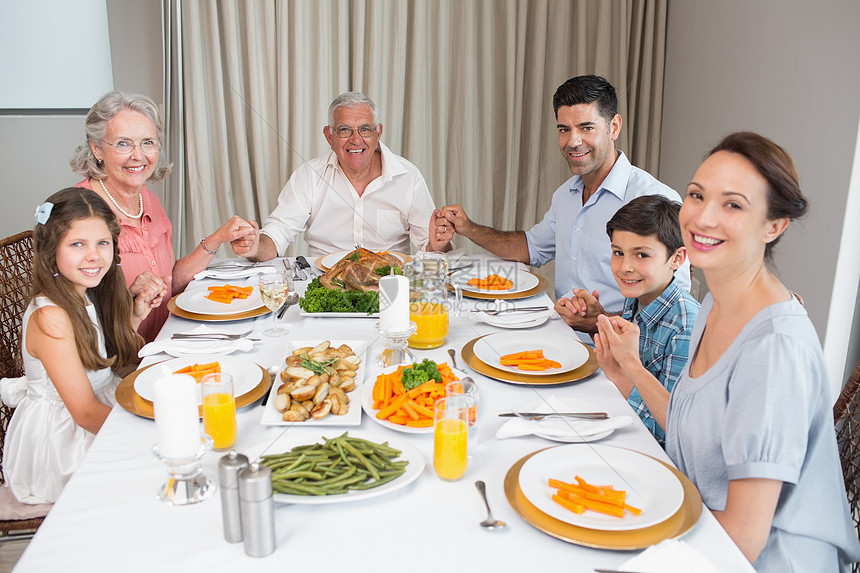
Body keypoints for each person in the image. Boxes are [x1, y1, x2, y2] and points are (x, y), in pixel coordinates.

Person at [662, 132, 860, 571]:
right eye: (696, 195)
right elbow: (693, 425)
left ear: (774, 226)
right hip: (704, 536)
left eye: (733, 204)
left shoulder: (774, 350)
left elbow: (743, 541)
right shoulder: (715, 300)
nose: (703, 217)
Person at [433, 75, 689, 340]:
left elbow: (673, 314)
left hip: (621, 359)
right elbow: (530, 248)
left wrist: (599, 322)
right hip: (562, 339)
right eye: (564, 129)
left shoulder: (656, 199)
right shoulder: (565, 195)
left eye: (586, 128)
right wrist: (469, 228)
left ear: (614, 127)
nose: (572, 141)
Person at [0, 188, 153, 504]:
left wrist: (134, 318)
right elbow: (84, 413)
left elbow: (101, 363)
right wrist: (148, 432)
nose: (94, 256)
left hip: (93, 406)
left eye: (102, 243)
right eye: (77, 244)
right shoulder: (50, 316)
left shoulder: (85, 291)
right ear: (51, 250)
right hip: (63, 438)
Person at [70, 91, 256, 342]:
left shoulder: (149, 200)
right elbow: (75, 318)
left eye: (148, 142)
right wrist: (129, 297)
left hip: (167, 339)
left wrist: (217, 238)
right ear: (97, 148)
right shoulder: (80, 211)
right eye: (123, 143)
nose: (138, 155)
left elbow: (171, 282)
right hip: (121, 361)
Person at [230, 91, 448, 261]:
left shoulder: (408, 176)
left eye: (365, 129)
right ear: (329, 136)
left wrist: (439, 244)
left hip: (388, 286)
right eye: (344, 130)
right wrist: (255, 246)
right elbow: (276, 235)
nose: (355, 139)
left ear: (378, 133)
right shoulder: (309, 176)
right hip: (324, 284)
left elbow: (430, 249)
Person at [588, 195, 699, 445]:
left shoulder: (686, 327)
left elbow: (670, 431)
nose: (625, 267)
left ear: (677, 259)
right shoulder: (639, 295)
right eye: (618, 252)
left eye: (642, 255)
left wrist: (620, 372)